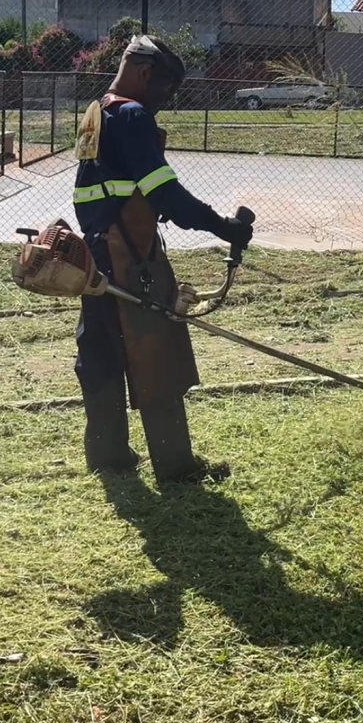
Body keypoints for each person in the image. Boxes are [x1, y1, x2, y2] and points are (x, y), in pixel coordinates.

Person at [72, 34, 253, 484]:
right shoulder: (132, 115)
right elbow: (165, 194)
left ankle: (108, 456)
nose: (164, 102)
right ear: (146, 73)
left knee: (99, 350)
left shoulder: (99, 111)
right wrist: (223, 226)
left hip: (97, 252)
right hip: (130, 256)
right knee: (156, 350)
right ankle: (176, 467)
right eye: (166, 90)